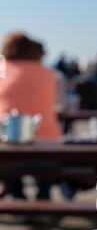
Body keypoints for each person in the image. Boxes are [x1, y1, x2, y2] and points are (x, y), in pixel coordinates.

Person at [0, 32, 62, 199]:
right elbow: (59, 103)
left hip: (9, 149)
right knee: (46, 164)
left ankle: (18, 197)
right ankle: (43, 198)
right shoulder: (49, 74)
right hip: (50, 147)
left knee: (5, 163)